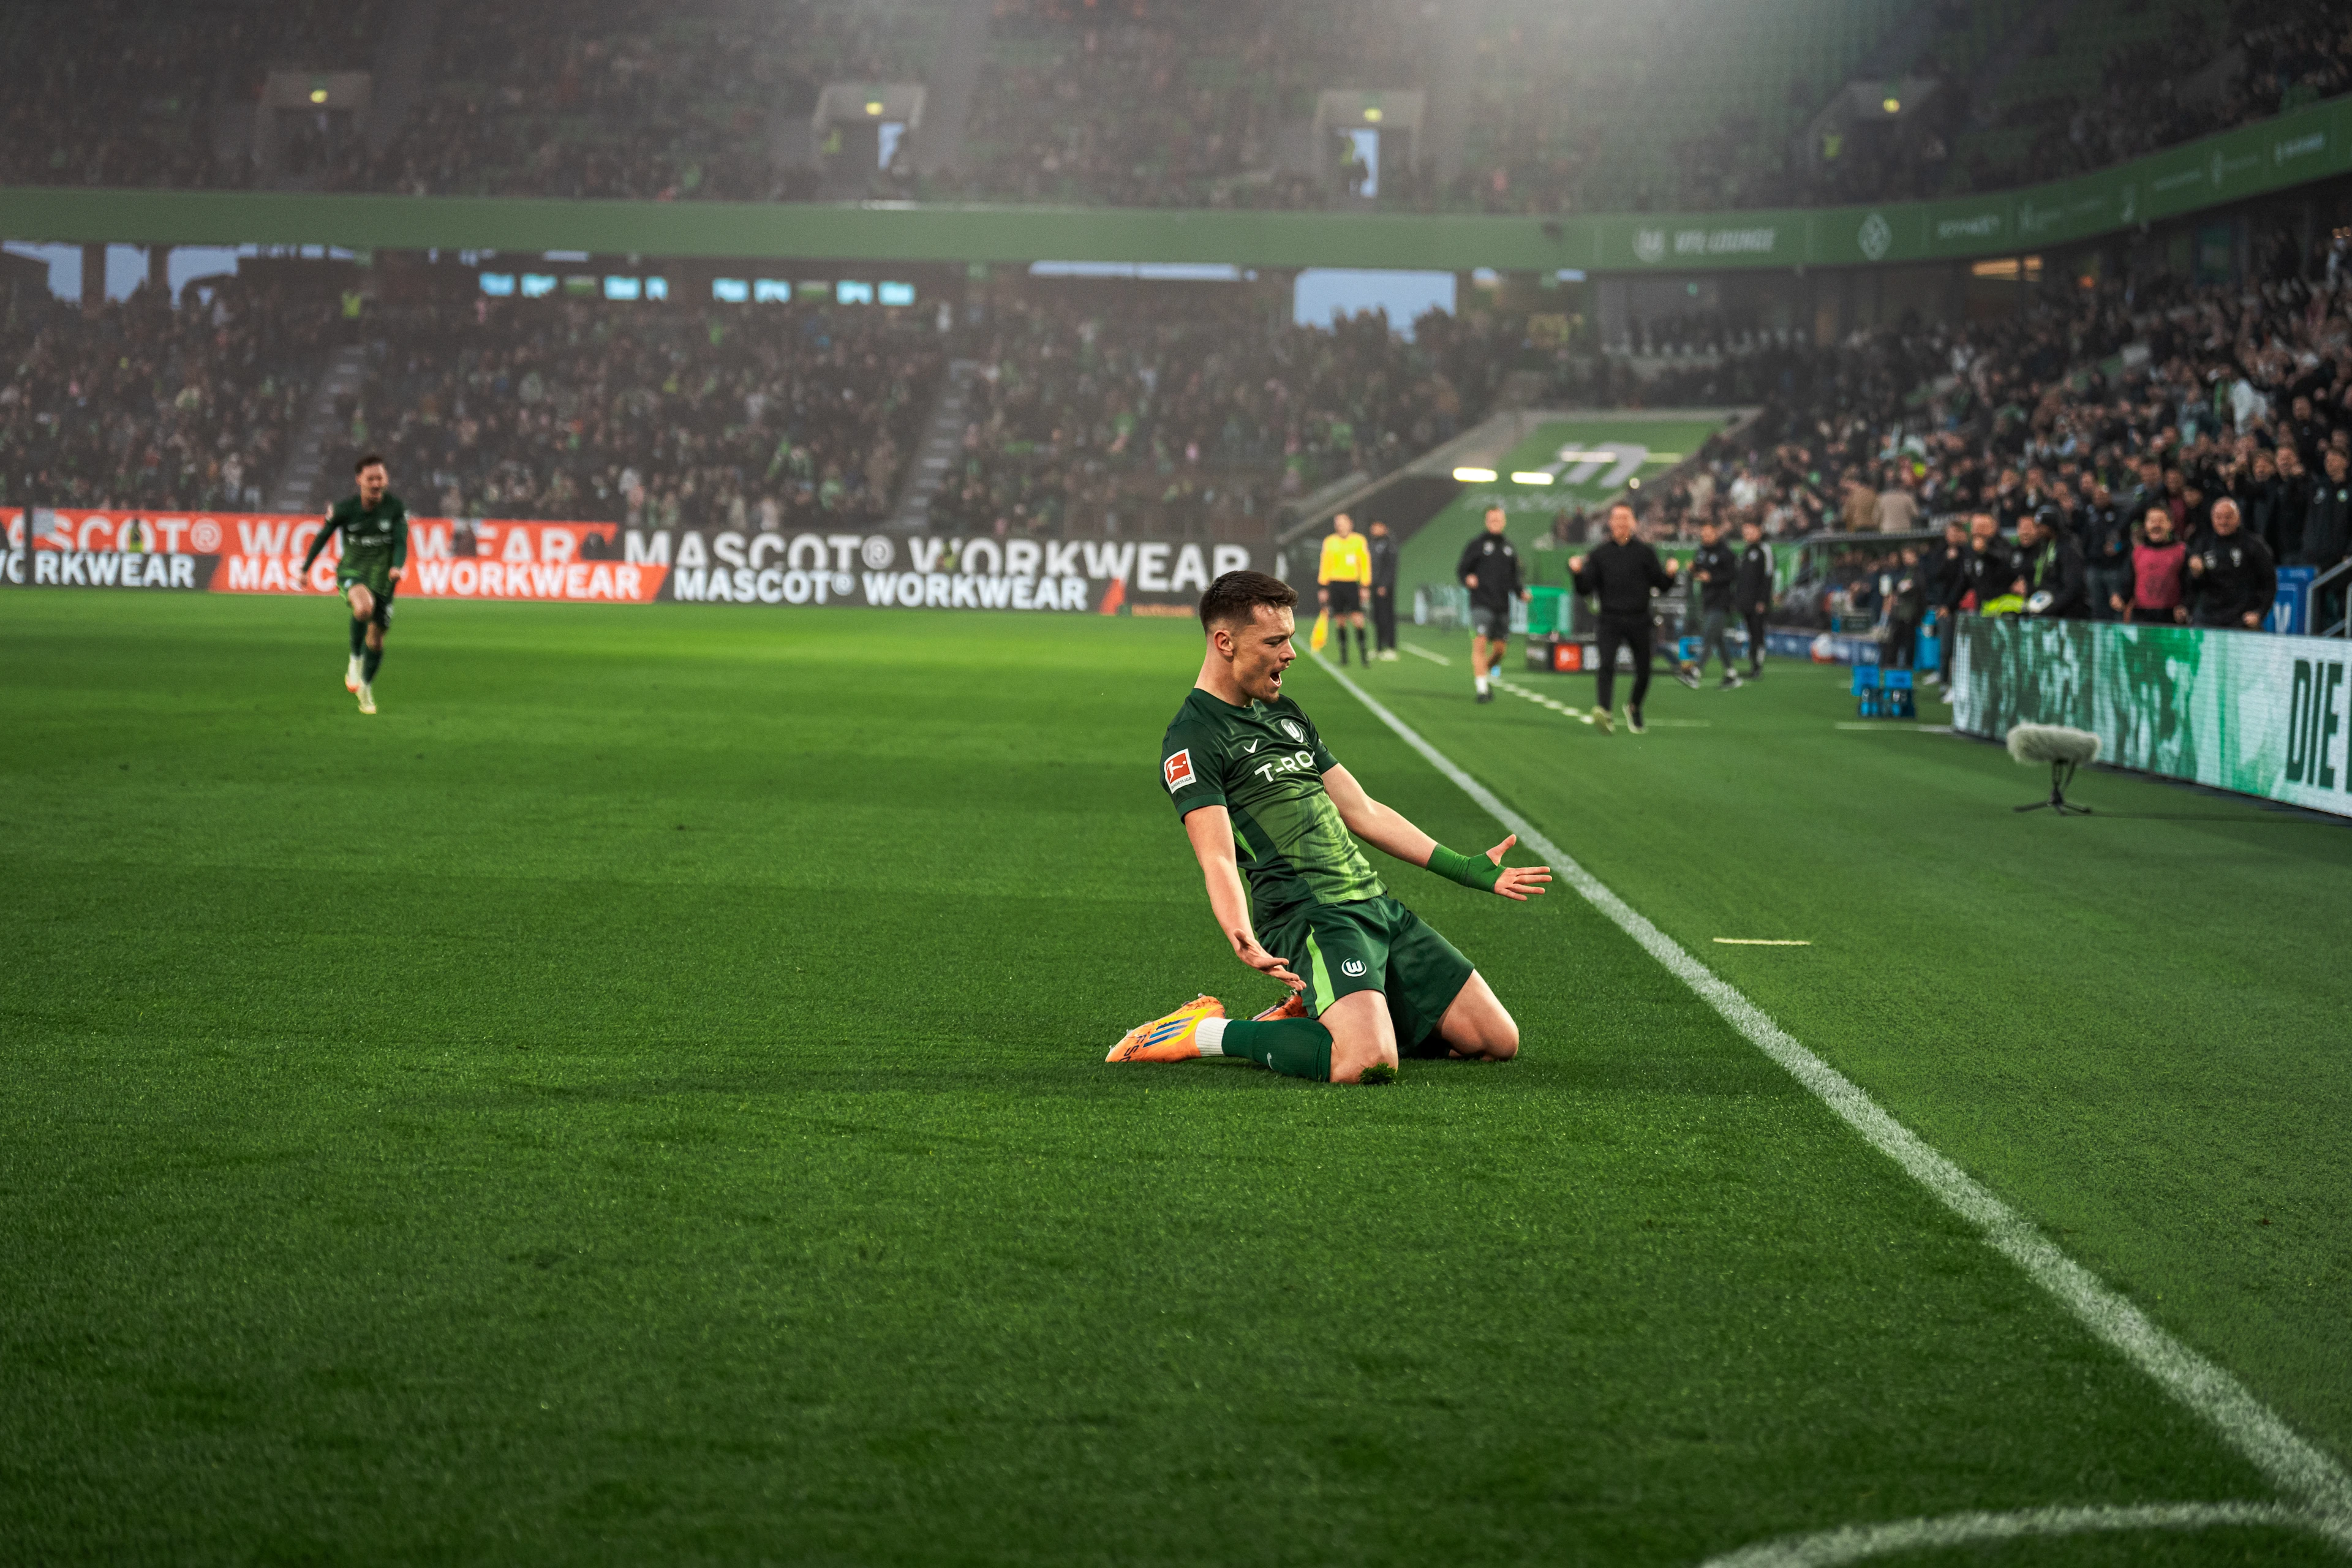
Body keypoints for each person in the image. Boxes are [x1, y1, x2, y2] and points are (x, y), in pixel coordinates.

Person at [1112, 571, 1550, 1084]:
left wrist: (1466, 869)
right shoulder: (1194, 738)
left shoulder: (1286, 715)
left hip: (1375, 905)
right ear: (1224, 643)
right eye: (1275, 641)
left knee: (1496, 1040)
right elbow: (1217, 855)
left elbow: (1362, 809)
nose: (1290, 653)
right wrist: (1240, 931)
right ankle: (1203, 1033)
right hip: (1311, 915)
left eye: (1290, 639)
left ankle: (1322, 1011)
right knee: (1366, 1063)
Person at [299, 453, 408, 715]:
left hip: (384, 579)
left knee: (377, 640)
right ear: (359, 480)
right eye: (370, 478)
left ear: (386, 480)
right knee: (363, 609)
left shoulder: (395, 508)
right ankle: (355, 660)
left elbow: (402, 541)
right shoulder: (345, 509)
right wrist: (305, 568)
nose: (375, 483)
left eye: (379, 478)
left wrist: (397, 566)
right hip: (353, 572)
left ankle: (366, 687)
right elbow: (323, 536)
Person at [1568, 501, 1678, 735]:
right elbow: (1585, 589)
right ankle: (1605, 713)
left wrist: (1670, 574)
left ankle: (1634, 707)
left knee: (1645, 670)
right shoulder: (1599, 554)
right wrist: (1577, 573)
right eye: (1617, 518)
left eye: (1625, 518)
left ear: (1634, 523)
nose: (1621, 523)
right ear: (1610, 523)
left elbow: (1662, 585)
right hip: (1610, 619)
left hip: (1639, 619)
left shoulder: (1646, 553)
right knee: (1606, 666)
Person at [1457, 506, 1526, 703]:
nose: (1495, 522)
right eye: (1492, 519)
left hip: (1502, 605)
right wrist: (1467, 578)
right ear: (1487, 522)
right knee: (1479, 643)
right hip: (1480, 603)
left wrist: (1521, 592)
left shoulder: (1509, 548)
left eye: (1499, 520)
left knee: (1499, 651)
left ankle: (1482, 673)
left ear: (1504, 522)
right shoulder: (1476, 545)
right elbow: (1462, 569)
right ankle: (1482, 690)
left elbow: (1515, 578)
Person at [2185, 499, 2276, 631]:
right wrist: (2195, 574)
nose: (2223, 522)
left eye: (2228, 517)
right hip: (2208, 619)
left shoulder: (2254, 545)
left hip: (2241, 620)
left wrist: (2260, 613)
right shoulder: (2202, 544)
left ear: (2238, 518)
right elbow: (2192, 586)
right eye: (2218, 517)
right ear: (2212, 519)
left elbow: (2269, 583)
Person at [1675, 518, 1741, 689]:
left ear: (1716, 533)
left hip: (1721, 601)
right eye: (1703, 534)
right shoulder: (1702, 551)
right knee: (1717, 639)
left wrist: (1712, 578)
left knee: (1707, 636)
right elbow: (1699, 569)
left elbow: (1733, 576)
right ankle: (1731, 675)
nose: (1705, 537)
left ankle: (1696, 673)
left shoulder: (1726, 554)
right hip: (1707, 600)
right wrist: (1693, 569)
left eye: (1708, 534)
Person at [2114, 508, 2188, 624]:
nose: (2156, 525)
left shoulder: (2182, 551)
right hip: (2142, 617)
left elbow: (2189, 584)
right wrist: (2121, 598)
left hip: (2172, 617)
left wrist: (2185, 605)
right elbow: (2128, 582)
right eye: (2152, 521)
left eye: (2160, 521)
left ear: (2170, 524)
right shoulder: (2137, 552)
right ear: (2146, 525)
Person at [1316, 512, 1372, 665]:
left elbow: (1365, 564)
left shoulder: (1359, 541)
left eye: (1342, 522)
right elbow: (1325, 564)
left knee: (1358, 619)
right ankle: (1344, 656)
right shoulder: (1330, 542)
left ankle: (1363, 655)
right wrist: (1323, 587)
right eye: (1337, 523)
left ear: (1350, 523)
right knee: (1340, 620)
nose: (1340, 525)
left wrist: (1365, 585)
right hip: (1335, 584)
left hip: (1352, 584)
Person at [2011, 509, 2087, 618]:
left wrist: (2049, 608)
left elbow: (2072, 588)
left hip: (2069, 614)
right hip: (2052, 612)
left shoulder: (2067, 549)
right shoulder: (2044, 547)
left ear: (2050, 527)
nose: (2037, 530)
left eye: (2040, 527)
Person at [1733, 516, 1772, 679]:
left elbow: (1768, 577)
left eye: (1750, 531)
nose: (1747, 535)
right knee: (1751, 633)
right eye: (1745, 532)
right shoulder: (1746, 551)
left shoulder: (1765, 550)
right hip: (1746, 602)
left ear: (1759, 530)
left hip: (1757, 603)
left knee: (1758, 633)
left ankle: (1757, 667)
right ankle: (1753, 666)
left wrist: (1763, 600)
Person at [1883, 547, 1925, 667]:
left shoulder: (1919, 572)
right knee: (1894, 639)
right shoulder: (1902, 571)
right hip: (1899, 612)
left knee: (1909, 641)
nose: (1906, 558)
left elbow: (1918, 588)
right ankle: (1891, 664)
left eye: (1908, 555)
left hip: (1910, 612)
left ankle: (1907, 665)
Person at [1367, 519, 1400, 661]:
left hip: (1385, 588)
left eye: (1377, 527)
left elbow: (1390, 568)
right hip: (1374, 586)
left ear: (1384, 528)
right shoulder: (1372, 544)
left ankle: (1391, 648)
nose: (1374, 529)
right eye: (1373, 527)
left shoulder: (1390, 544)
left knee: (1387, 617)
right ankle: (1379, 647)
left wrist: (1384, 585)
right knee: (1377, 617)